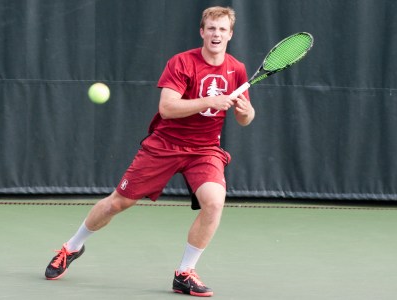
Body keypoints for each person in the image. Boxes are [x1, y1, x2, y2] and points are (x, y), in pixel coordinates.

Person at [44, 6, 255, 297]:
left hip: (205, 150)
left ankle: (184, 273)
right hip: (164, 146)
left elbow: (245, 120)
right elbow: (167, 109)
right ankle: (72, 247)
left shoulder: (237, 69)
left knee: (214, 203)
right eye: (211, 28)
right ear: (202, 32)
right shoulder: (181, 63)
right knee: (117, 203)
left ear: (230, 34)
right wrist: (208, 101)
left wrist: (246, 111)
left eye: (222, 29)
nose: (216, 34)